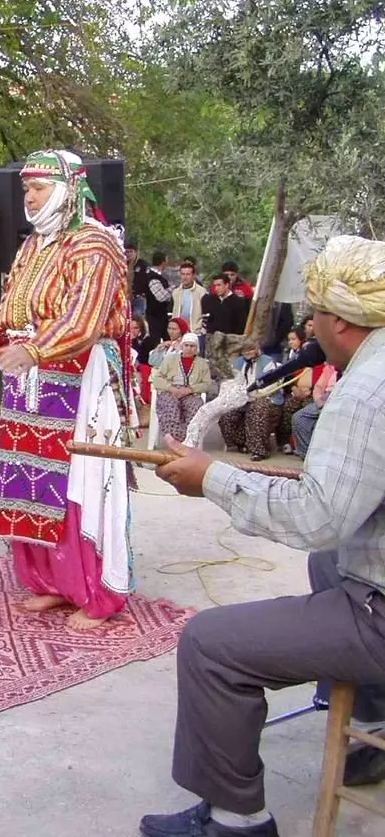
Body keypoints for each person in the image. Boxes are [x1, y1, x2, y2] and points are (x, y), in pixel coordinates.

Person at [142, 234, 385, 837]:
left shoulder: (367, 387)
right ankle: (377, 727)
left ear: (339, 321)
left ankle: (237, 819)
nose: (310, 324)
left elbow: (315, 516)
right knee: (330, 564)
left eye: (314, 314)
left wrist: (214, 481)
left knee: (211, 643)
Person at [0, 149, 133, 630]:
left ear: (67, 190)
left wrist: (36, 352)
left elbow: (86, 318)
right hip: (29, 378)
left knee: (76, 482)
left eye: (38, 188)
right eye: (26, 190)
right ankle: (53, 582)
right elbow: (12, 313)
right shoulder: (34, 246)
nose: (30, 198)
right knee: (30, 481)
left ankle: (94, 590)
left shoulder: (93, 244)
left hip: (78, 378)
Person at [217, 341, 282, 462]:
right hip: (243, 398)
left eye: (251, 349)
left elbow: (272, 384)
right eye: (245, 350)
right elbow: (231, 382)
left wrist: (255, 395)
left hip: (265, 397)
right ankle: (242, 443)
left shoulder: (267, 361)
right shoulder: (237, 363)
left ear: (257, 348)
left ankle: (259, 450)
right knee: (226, 415)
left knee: (257, 409)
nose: (248, 353)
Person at [151, 333, 215, 443]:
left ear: (197, 348)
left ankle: (188, 441)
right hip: (170, 391)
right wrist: (171, 388)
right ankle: (174, 441)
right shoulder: (170, 359)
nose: (189, 349)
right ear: (182, 346)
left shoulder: (202, 363)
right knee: (170, 407)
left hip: (191, 393)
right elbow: (157, 378)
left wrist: (190, 389)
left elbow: (207, 384)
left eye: (192, 346)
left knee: (194, 407)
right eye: (186, 345)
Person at [201, 274, 249, 368]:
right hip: (213, 344)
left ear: (227, 285)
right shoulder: (209, 300)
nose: (216, 288)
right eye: (214, 286)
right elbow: (206, 320)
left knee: (231, 370)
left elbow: (241, 325)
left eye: (219, 285)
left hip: (231, 345)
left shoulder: (239, 302)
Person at [172, 261, 207, 334]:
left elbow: (206, 315)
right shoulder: (175, 292)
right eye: (183, 274)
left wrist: (201, 331)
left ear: (193, 275)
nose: (185, 277)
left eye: (188, 274)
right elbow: (170, 313)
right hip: (178, 333)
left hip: (196, 333)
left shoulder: (202, 292)